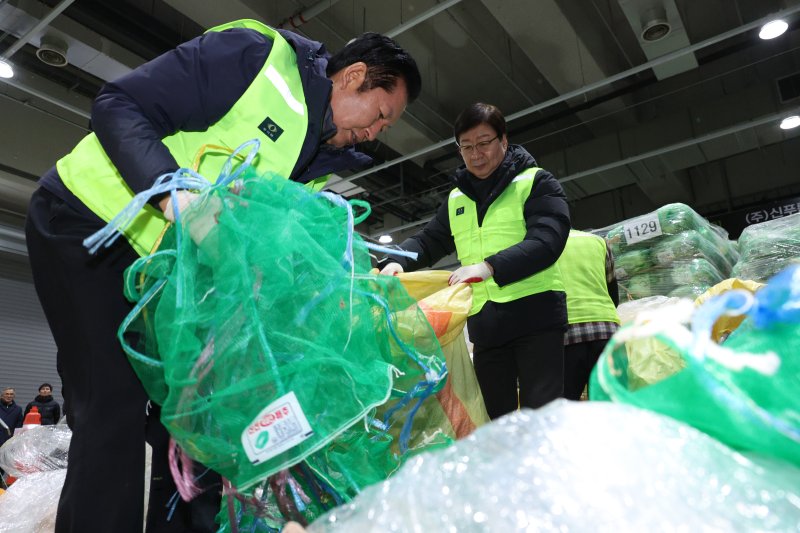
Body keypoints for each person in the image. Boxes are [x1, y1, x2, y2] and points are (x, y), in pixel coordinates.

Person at [24, 18, 421, 533]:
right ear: (354, 76)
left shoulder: (317, 161)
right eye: (381, 115)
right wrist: (173, 193)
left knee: (197, 425)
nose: (375, 133)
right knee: (112, 404)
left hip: (162, 279)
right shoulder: (255, 56)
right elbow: (119, 104)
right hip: (89, 222)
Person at [379, 102, 570, 420]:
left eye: (484, 143)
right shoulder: (457, 198)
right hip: (487, 328)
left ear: (503, 141)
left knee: (544, 419)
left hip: (536, 320)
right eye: (466, 147)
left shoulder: (535, 182)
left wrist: (488, 267)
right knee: (495, 421)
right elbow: (430, 240)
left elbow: (547, 241)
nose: (476, 154)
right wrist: (398, 261)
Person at [559, 230, 620, 400]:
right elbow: (613, 293)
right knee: (610, 404)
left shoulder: (543, 246)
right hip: (607, 329)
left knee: (565, 408)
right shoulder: (598, 242)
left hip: (566, 334)